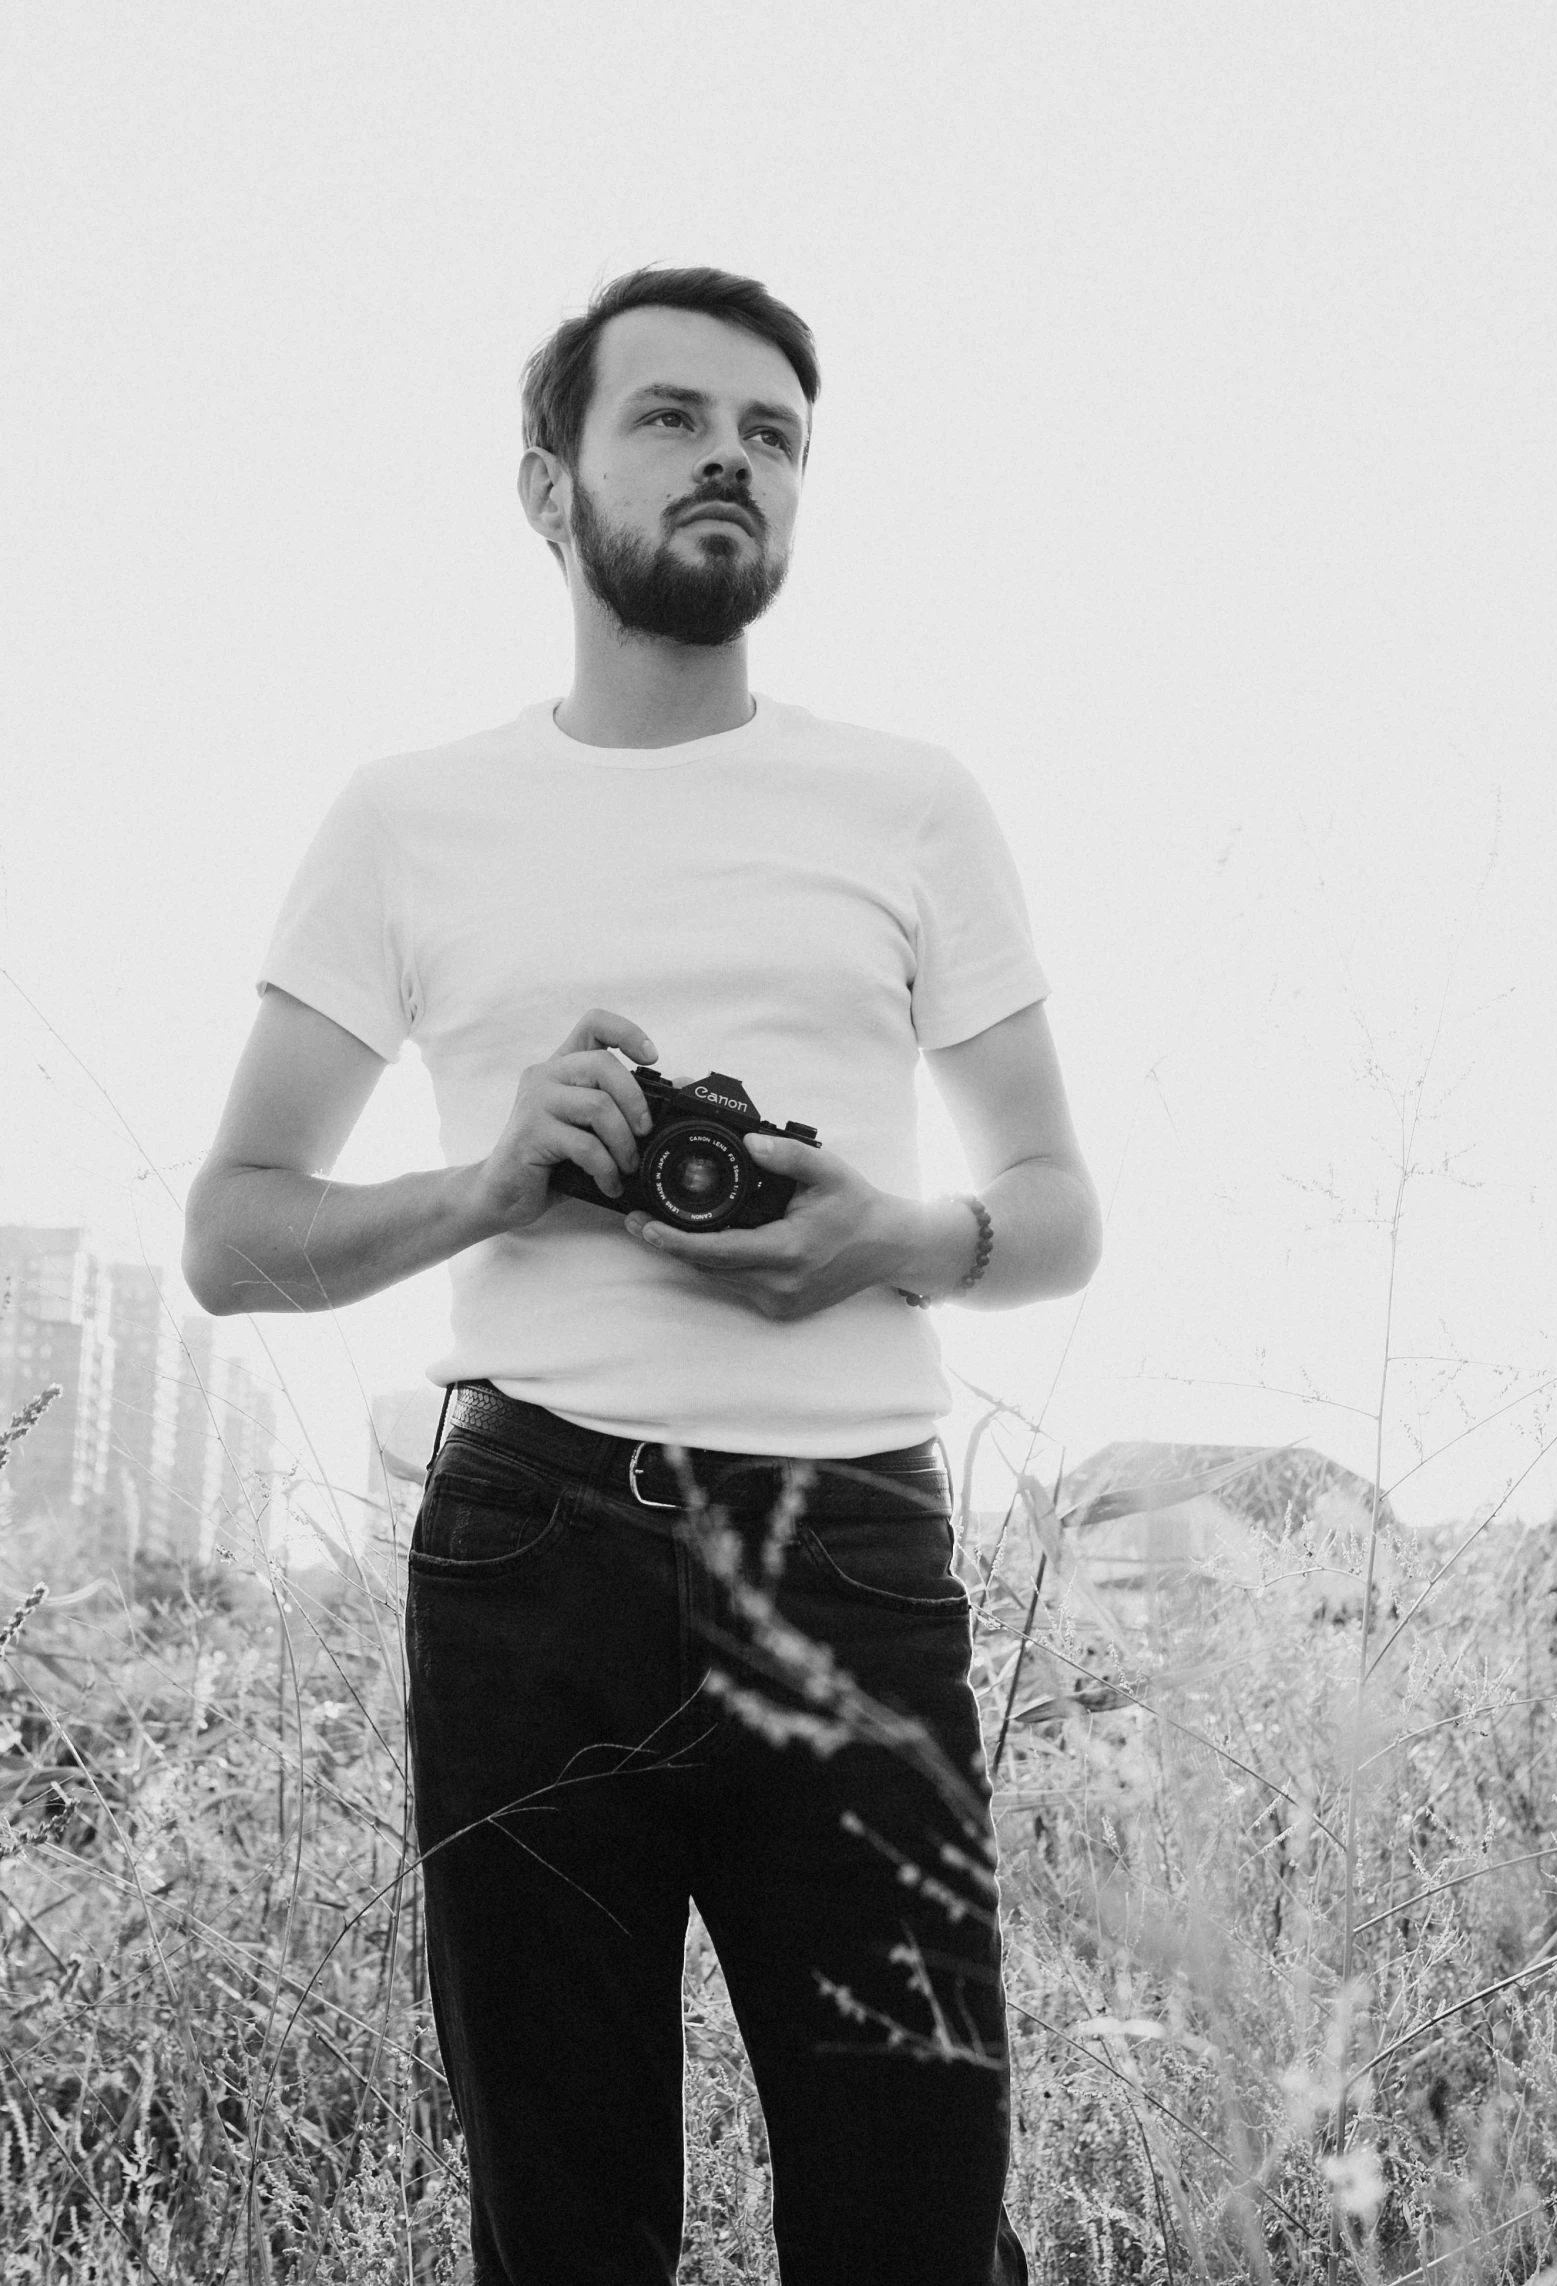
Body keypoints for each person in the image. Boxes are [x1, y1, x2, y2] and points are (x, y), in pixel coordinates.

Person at [183, 264, 1101, 2286]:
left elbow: (1055, 1208)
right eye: (672, 418)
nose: (731, 462)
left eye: (773, 435)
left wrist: (899, 1230)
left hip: (851, 1556)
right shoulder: (408, 815)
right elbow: (233, 1232)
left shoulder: (912, 798)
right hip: (533, 1552)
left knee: (918, 2232)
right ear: (546, 482)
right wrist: (498, 1180)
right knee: (565, 2233)